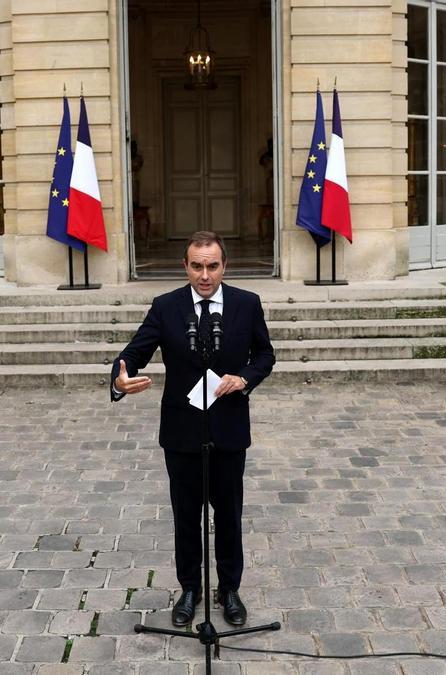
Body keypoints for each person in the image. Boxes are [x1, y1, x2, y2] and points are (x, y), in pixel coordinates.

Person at [110, 231, 275, 627]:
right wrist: (120, 379)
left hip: (229, 429)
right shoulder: (166, 307)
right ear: (185, 267)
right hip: (182, 432)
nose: (205, 275)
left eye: (212, 266)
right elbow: (134, 353)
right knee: (186, 516)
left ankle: (230, 589)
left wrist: (245, 378)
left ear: (224, 266)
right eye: (197, 266)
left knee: (230, 514)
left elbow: (265, 353)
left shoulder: (246, 304)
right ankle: (189, 588)